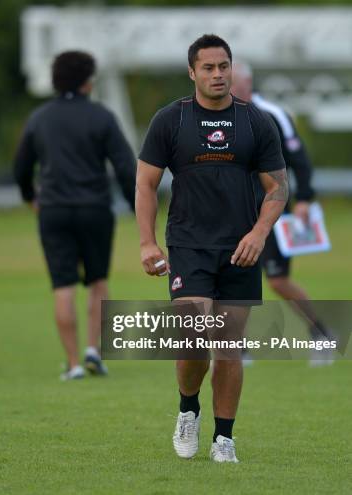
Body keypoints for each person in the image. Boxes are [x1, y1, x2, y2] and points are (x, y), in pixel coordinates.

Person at [135, 34, 288, 462]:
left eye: (224, 66)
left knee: (228, 347)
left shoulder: (255, 122)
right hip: (188, 244)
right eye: (208, 68)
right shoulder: (171, 120)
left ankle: (224, 439)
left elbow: (278, 187)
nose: (218, 74)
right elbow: (145, 183)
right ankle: (188, 409)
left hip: (240, 248)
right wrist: (147, 241)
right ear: (192, 72)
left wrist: (259, 233)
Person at [13, 51, 136, 381]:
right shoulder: (102, 116)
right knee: (98, 280)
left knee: (63, 285)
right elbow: (125, 166)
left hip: (53, 209)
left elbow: (21, 166)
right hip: (95, 208)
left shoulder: (40, 117)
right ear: (88, 81)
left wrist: (30, 197)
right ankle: (94, 350)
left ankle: (73, 364)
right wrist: (137, 206)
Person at [231, 61, 334, 366]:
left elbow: (299, 159)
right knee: (236, 275)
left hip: (272, 211)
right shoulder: (221, 117)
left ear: (246, 85)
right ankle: (239, 348)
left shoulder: (272, 115)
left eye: (231, 81)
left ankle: (321, 333)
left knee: (277, 280)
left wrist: (304, 198)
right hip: (236, 211)